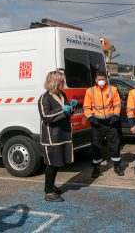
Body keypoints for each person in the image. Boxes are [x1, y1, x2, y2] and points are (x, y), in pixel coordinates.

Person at [38, 71, 76, 202]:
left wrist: (71, 108)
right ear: (54, 82)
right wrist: (62, 109)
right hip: (51, 138)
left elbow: (66, 112)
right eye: (61, 81)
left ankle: (51, 185)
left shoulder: (62, 94)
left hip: (62, 135)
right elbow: (46, 117)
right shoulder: (44, 98)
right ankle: (48, 192)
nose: (63, 83)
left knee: (58, 163)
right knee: (52, 164)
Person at [83, 71, 124, 178]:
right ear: (95, 80)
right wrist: (91, 118)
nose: (101, 81)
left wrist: (115, 116)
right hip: (97, 124)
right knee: (96, 146)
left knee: (115, 145)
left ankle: (117, 166)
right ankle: (96, 168)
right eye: (99, 79)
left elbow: (117, 104)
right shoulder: (90, 91)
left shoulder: (113, 89)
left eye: (103, 79)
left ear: (106, 79)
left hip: (111, 123)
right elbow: (86, 107)